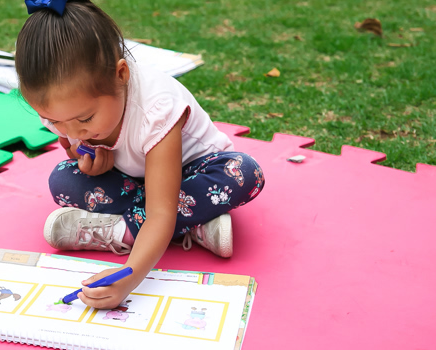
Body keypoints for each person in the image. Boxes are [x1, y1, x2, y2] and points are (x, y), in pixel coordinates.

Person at [16, 0, 265, 309]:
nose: (72, 131)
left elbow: (161, 210)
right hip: (137, 181)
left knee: (244, 172)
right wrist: (88, 164)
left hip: (194, 174)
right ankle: (198, 225)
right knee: (62, 180)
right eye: (54, 121)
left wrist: (129, 275)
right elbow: (72, 149)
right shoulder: (63, 108)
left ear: (121, 74)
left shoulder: (156, 108)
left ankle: (122, 230)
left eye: (84, 120)